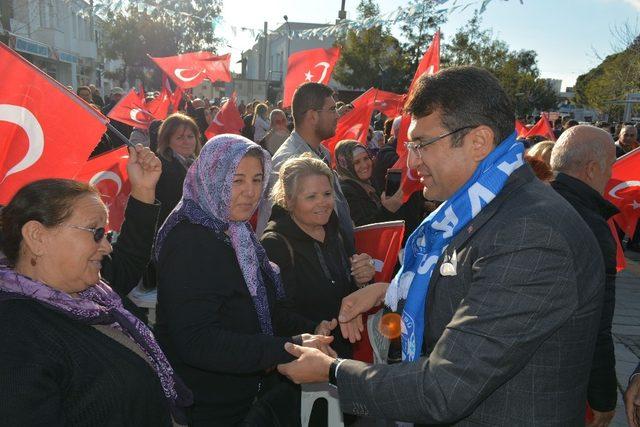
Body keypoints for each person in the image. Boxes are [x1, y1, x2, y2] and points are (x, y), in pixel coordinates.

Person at [277, 66, 606, 426]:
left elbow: (446, 386)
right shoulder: (484, 207)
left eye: (421, 145)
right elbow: (472, 295)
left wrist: (333, 371)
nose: (412, 161)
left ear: (478, 142)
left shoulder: (531, 233)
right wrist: (386, 293)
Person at [154, 135, 338, 425]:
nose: (250, 192)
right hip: (211, 406)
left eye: (257, 179)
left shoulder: (237, 232)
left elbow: (262, 308)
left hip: (249, 399)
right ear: (213, 177)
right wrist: (284, 348)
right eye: (237, 180)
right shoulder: (190, 241)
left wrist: (308, 332)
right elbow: (197, 340)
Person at [0, 155, 192, 424]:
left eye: (106, 233)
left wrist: (144, 189)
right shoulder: (14, 337)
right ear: (37, 237)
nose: (107, 246)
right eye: (95, 232)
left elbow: (128, 261)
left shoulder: (94, 292)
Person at [262, 154, 375, 357]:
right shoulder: (275, 244)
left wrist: (362, 280)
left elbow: (347, 288)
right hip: (304, 361)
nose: (322, 203)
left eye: (327, 194)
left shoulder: (336, 231)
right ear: (289, 200)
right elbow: (273, 313)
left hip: (343, 352)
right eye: (311, 197)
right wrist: (314, 329)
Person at [549, 125, 619, 427]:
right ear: (592, 169)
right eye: (610, 168)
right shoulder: (590, 224)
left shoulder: (528, 203)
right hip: (561, 379)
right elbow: (597, 319)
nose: (611, 177)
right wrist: (603, 396)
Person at [257, 82, 354, 246]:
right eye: (331, 109)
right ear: (312, 116)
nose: (337, 115)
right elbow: (273, 229)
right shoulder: (288, 162)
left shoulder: (323, 153)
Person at [334, 140, 403, 226]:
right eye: (356, 162)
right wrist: (388, 209)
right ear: (346, 166)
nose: (364, 165)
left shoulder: (370, 182)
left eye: (366, 158)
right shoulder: (346, 191)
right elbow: (363, 229)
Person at [155, 113, 201, 225]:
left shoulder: (198, 163)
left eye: (190, 136)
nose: (187, 142)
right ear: (167, 141)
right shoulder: (161, 168)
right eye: (179, 137)